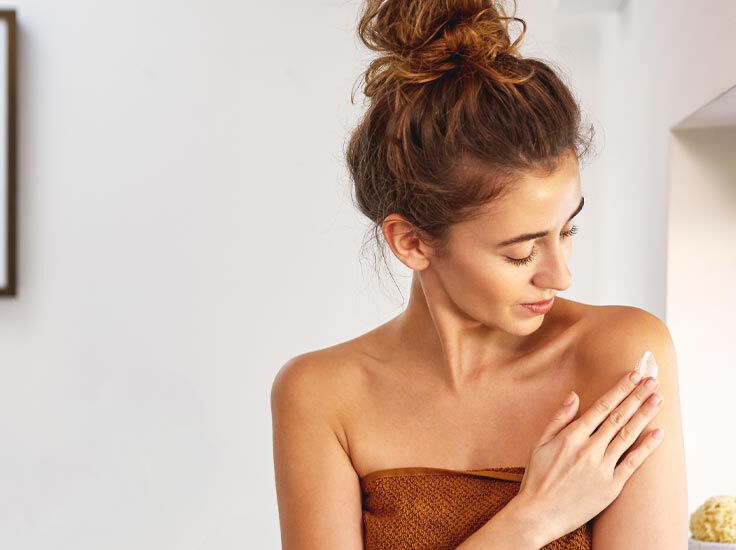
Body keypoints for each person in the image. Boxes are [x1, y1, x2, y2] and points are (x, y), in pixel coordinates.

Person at [269, 0, 688, 548]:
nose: (560, 275)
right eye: (521, 253)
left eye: (567, 231)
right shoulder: (321, 397)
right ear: (413, 242)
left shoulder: (623, 357)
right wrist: (533, 518)